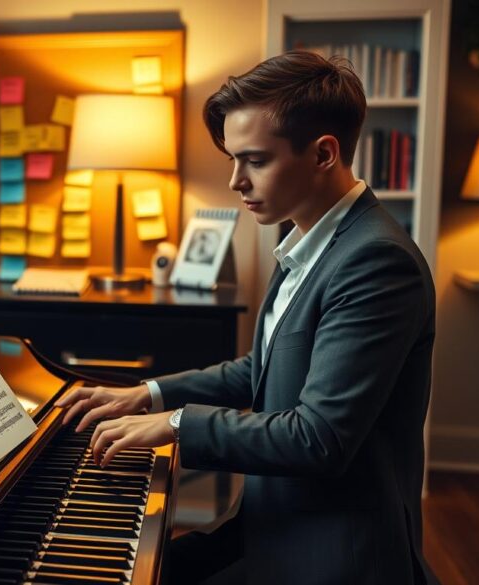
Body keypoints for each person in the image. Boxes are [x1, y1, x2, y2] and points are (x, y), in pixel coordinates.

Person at [56, 50, 436, 585]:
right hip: (270, 526)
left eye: (254, 160)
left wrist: (176, 424)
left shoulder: (376, 262)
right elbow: (262, 369)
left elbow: (318, 437)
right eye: (234, 159)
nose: (236, 181)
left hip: (334, 555)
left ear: (324, 153)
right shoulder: (305, 239)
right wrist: (150, 393)